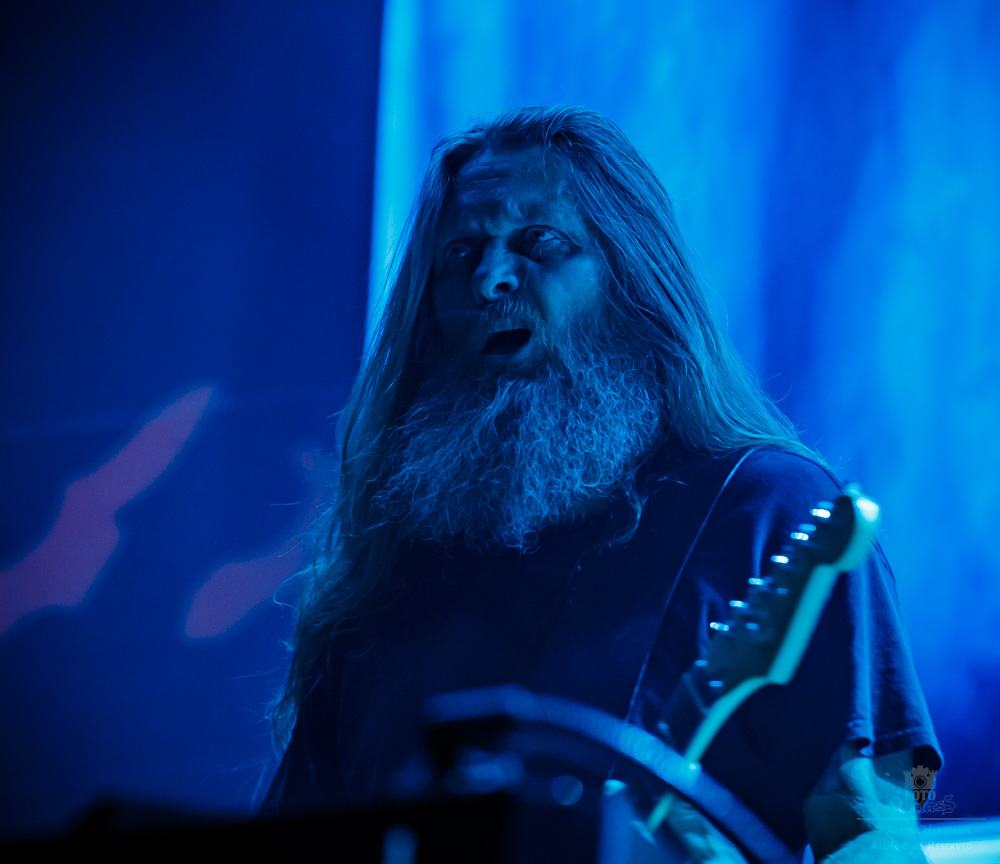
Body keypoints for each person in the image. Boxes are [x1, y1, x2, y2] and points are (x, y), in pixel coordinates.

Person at [263, 106, 940, 862]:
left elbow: (870, 835)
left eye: (539, 242)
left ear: (633, 280)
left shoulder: (765, 509)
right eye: (460, 252)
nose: (489, 277)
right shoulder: (388, 572)